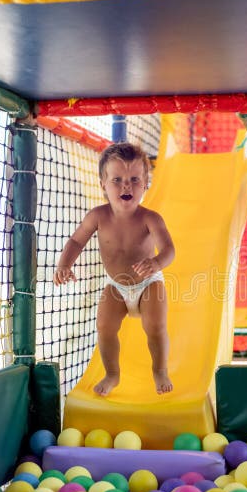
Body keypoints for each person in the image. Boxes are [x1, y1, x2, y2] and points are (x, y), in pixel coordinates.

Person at [53, 142, 175, 397]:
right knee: (105, 326)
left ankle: (160, 370)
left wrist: (155, 263)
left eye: (134, 179)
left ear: (145, 184)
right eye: (117, 179)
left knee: (155, 326)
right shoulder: (97, 216)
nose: (126, 186)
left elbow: (169, 250)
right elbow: (76, 241)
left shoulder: (150, 218)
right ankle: (112, 374)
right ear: (103, 184)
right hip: (115, 285)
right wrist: (65, 264)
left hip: (149, 282)